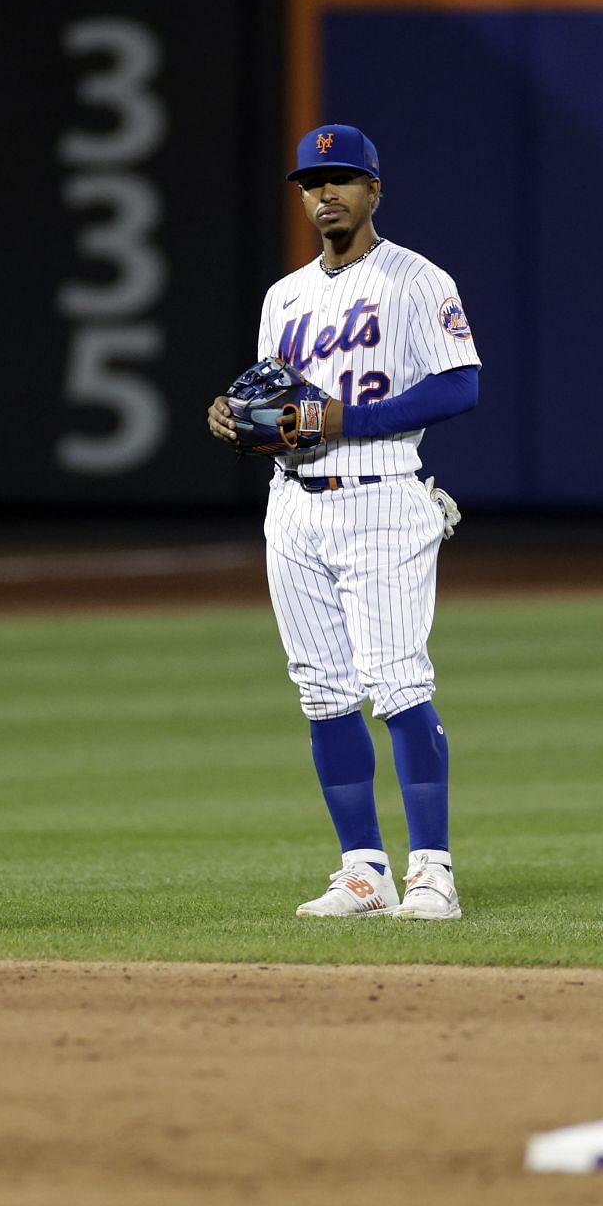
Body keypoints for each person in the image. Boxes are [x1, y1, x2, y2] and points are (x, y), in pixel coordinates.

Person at [207, 122, 479, 920]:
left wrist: (342, 420)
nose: (325, 194)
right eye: (310, 183)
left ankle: (432, 871)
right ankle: (363, 871)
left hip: (383, 494)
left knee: (397, 682)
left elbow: (460, 385)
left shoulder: (416, 281)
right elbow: (275, 395)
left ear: (373, 190)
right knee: (323, 693)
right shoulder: (283, 296)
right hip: (292, 508)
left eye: (341, 179)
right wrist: (234, 415)